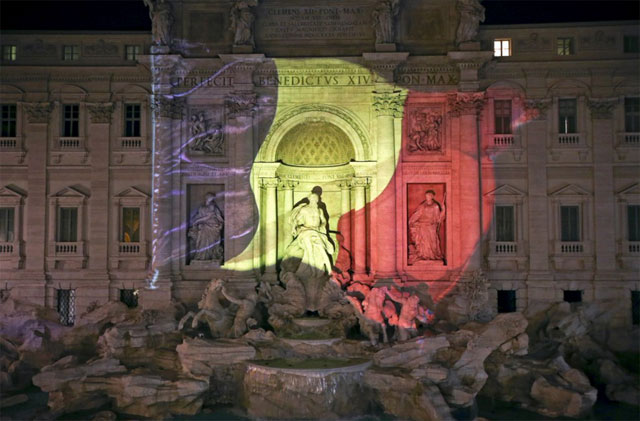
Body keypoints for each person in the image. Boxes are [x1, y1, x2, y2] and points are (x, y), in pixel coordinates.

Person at [285, 193, 334, 280]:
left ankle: (330, 271)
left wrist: (321, 227)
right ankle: (313, 272)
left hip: (316, 232)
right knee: (309, 250)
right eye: (313, 198)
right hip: (306, 231)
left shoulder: (319, 210)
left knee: (322, 250)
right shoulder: (304, 209)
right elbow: (296, 220)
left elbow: (323, 221)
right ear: (309, 199)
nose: (314, 200)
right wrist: (294, 228)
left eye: (316, 199)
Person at [408, 190, 445, 263]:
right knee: (424, 242)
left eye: (429, 195)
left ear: (432, 196)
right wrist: (412, 221)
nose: (428, 197)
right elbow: (417, 214)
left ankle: (432, 255)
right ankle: (424, 255)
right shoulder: (422, 206)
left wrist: (443, 209)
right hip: (423, 226)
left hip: (431, 226)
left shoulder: (435, 206)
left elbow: (438, 218)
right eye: (427, 195)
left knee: (432, 241)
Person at [188, 193, 224, 262]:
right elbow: (198, 215)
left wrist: (197, 221)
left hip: (212, 226)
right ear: (207, 198)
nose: (211, 199)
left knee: (211, 243)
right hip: (203, 226)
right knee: (202, 241)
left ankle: (211, 255)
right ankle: (201, 256)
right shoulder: (202, 207)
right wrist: (194, 221)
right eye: (210, 198)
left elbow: (208, 217)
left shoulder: (212, 206)